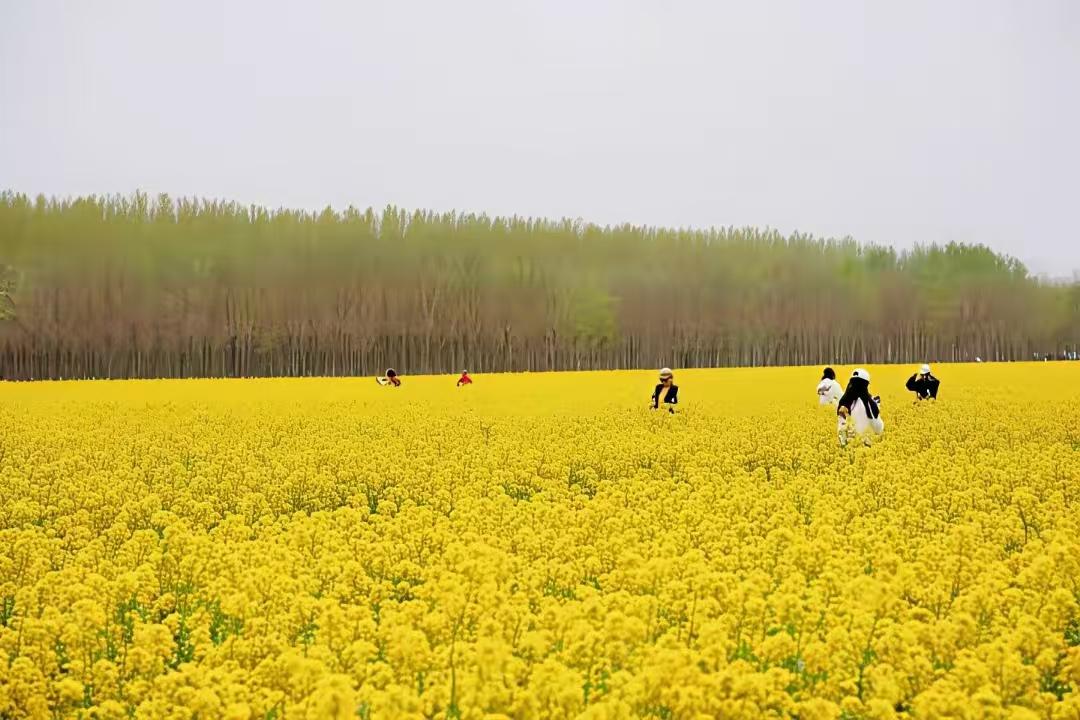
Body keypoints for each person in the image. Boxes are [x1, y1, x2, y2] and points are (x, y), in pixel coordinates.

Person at [837, 368, 884, 446]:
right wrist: (877, 407)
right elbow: (878, 429)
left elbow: (841, 433)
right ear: (865, 385)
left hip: (850, 448)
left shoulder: (843, 405)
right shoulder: (869, 404)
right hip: (867, 448)